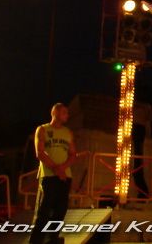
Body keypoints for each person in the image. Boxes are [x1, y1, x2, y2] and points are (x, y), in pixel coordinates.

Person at [30, 103, 87, 244]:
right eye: (64, 112)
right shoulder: (42, 129)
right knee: (44, 210)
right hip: (48, 176)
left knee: (60, 211)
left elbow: (73, 154)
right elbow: (40, 153)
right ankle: (36, 240)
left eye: (67, 113)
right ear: (55, 113)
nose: (67, 115)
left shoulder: (68, 132)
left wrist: (62, 169)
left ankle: (52, 239)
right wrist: (56, 169)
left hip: (65, 177)